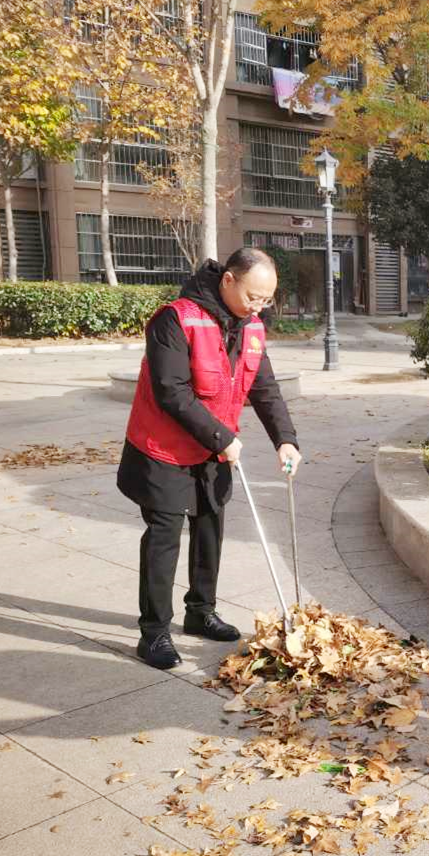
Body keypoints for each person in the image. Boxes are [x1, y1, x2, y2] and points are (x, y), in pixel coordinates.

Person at [117, 248, 301, 671]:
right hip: (163, 448)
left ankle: (201, 611)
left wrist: (286, 440)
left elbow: (264, 388)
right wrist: (223, 437)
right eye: (253, 297)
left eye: (267, 300)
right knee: (164, 537)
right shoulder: (175, 319)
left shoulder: (251, 327)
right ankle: (154, 632)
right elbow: (172, 392)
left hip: (214, 448)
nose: (258, 307)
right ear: (228, 280)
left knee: (210, 527)